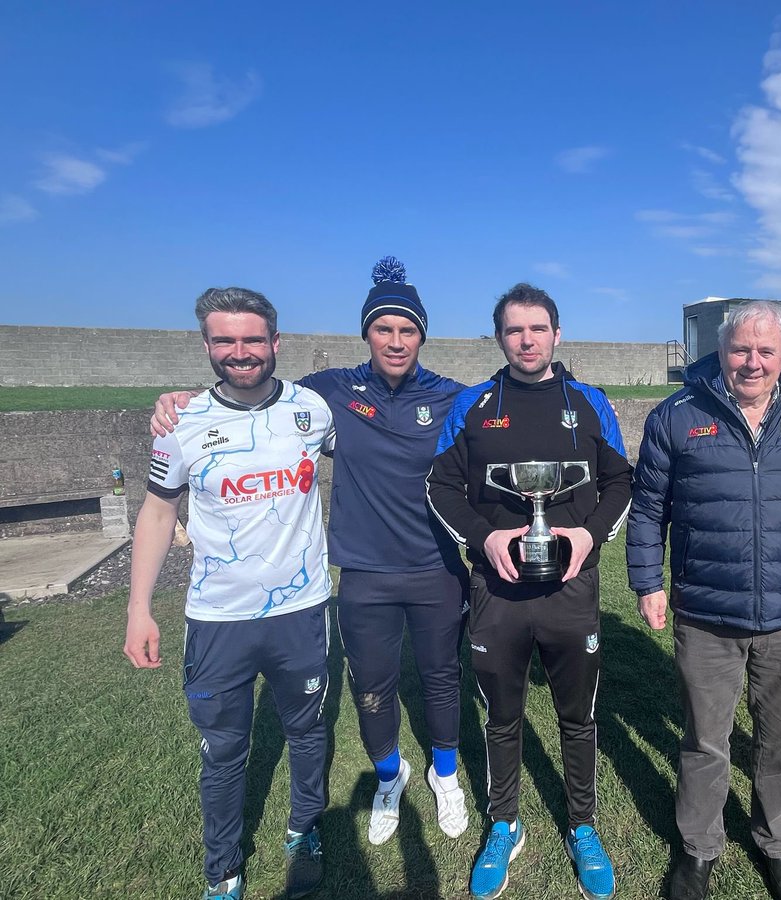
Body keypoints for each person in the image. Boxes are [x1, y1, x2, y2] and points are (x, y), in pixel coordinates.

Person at [151, 258, 472, 847]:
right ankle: (388, 776)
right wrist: (180, 400)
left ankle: (445, 774)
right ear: (366, 334)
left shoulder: (453, 397)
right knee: (371, 685)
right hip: (365, 574)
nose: (395, 341)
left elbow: (511, 413)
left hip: (438, 568)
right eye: (383, 329)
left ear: (422, 335)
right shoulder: (328, 394)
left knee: (441, 677)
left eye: (407, 330)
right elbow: (252, 391)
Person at [626, 301, 781, 900]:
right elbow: (649, 509)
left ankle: (776, 848)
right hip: (705, 615)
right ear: (721, 351)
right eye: (740, 350)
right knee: (705, 740)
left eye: (765, 351)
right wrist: (648, 582)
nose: (751, 363)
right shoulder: (676, 415)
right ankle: (698, 850)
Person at [125, 287, 336, 900]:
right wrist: (139, 608)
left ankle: (303, 829)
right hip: (219, 618)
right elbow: (159, 513)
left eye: (252, 339)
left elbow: (370, 456)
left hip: (301, 609)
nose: (239, 352)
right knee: (222, 750)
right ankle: (223, 867)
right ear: (207, 346)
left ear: (276, 343)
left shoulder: (312, 410)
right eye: (225, 340)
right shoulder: (180, 423)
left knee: (306, 731)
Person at [426, 283, 632, 900]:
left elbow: (621, 480)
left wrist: (589, 537)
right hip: (497, 591)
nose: (526, 340)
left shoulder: (589, 402)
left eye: (537, 328)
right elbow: (440, 487)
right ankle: (504, 822)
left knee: (578, 716)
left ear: (556, 334)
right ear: (500, 338)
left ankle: (582, 824)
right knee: (502, 718)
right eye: (514, 330)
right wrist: (484, 538)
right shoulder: (473, 404)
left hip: (571, 590)